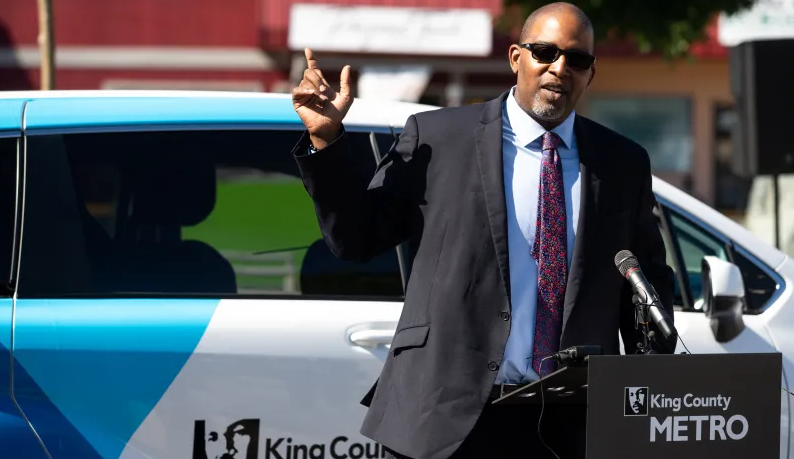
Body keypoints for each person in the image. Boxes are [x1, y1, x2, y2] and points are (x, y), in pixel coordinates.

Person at [289, 2, 676, 458]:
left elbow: (645, 283)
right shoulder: (438, 137)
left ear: (591, 73)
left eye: (577, 59)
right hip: (450, 418)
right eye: (545, 52)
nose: (559, 67)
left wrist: (649, 388)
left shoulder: (621, 163)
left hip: (569, 423)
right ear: (516, 58)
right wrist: (327, 140)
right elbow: (356, 238)